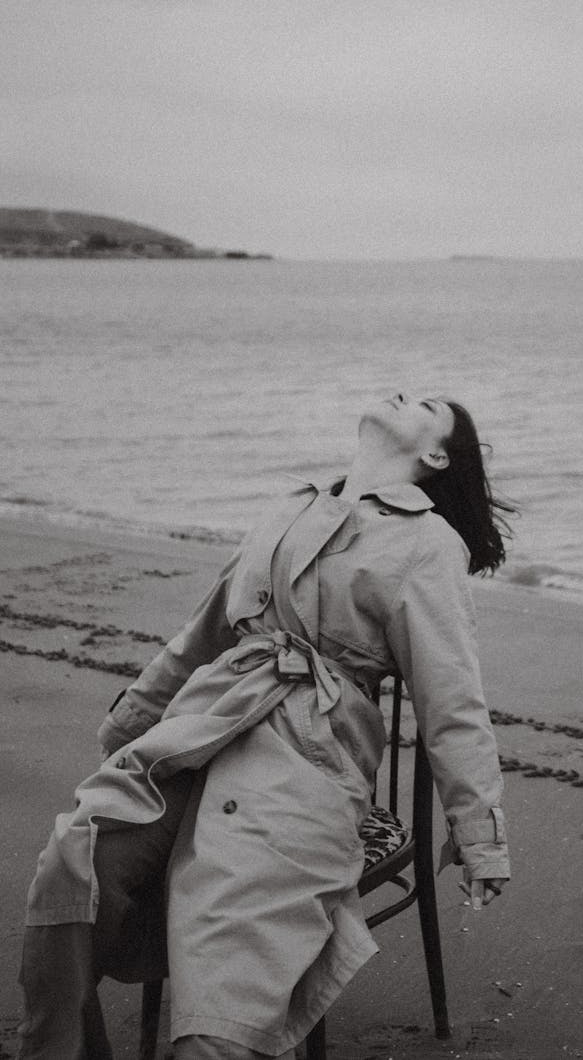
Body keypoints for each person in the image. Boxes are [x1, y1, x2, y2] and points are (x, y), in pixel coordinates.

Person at [17, 391, 514, 1060]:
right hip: (203, 730)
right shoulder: (290, 509)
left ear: (435, 454)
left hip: (308, 762)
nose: (403, 391)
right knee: (76, 863)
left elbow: (452, 701)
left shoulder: (428, 545)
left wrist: (480, 837)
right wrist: (131, 727)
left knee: (228, 985)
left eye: (425, 402)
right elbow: (205, 632)